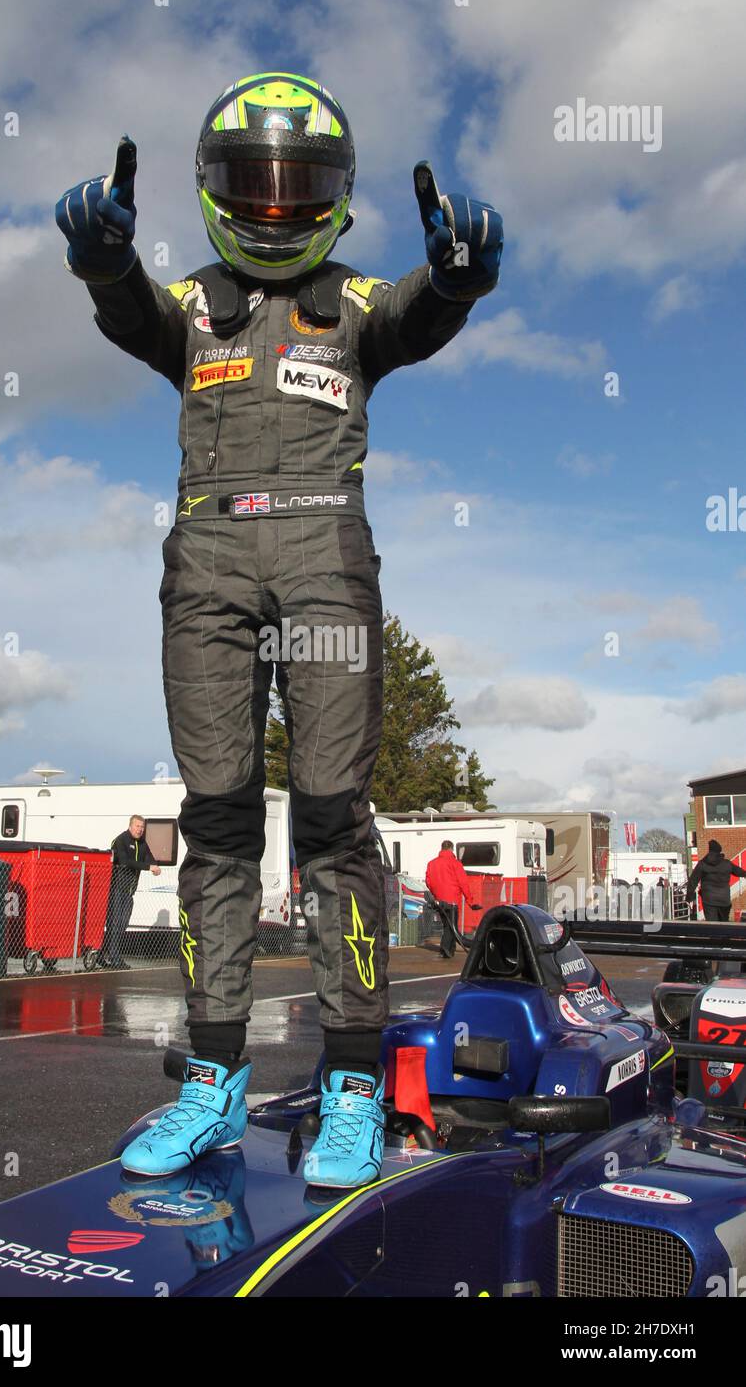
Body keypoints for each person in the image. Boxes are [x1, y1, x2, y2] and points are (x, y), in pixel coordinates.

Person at [56, 72, 502, 1187]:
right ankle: (213, 1085)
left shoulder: (355, 305)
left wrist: (455, 278)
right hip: (204, 565)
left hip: (322, 563)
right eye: (252, 182)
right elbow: (127, 313)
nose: (270, 205)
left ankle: (350, 1084)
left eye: (294, 184)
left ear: (334, 196)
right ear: (213, 190)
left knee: (330, 816)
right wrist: (101, 258)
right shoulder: (188, 305)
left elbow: (415, 314)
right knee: (212, 818)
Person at [100, 816, 161, 969]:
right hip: (116, 889)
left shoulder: (142, 842)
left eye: (142, 827)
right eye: (137, 826)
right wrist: (148, 867)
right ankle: (114, 959)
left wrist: (155, 866)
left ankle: (101, 954)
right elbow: (125, 861)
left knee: (123, 924)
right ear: (130, 826)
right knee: (114, 924)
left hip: (129, 891)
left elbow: (149, 858)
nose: (140, 829)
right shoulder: (121, 840)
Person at [425, 840, 482, 958]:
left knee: (447, 924)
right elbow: (463, 883)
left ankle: (450, 948)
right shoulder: (455, 864)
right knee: (451, 926)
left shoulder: (431, 864)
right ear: (451, 849)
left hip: (439, 900)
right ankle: (445, 949)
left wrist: (436, 894)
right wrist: (470, 901)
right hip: (452, 901)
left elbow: (428, 881)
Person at [685, 839, 746, 922]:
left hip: (709, 900)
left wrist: (689, 897)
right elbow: (740, 872)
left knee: (713, 926)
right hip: (724, 900)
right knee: (724, 925)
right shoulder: (727, 864)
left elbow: (693, 881)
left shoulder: (702, 864)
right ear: (719, 851)